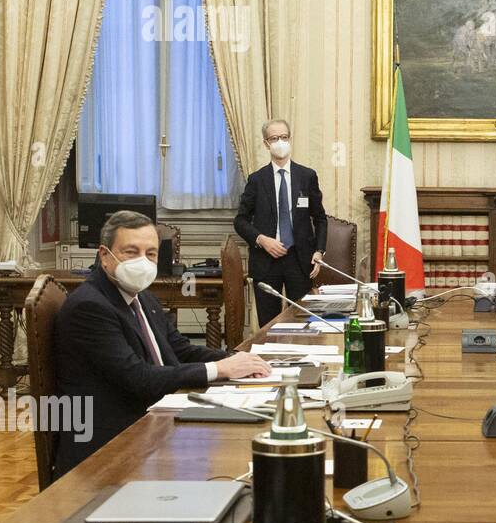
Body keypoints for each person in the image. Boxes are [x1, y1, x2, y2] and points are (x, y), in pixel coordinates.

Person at [54, 211, 271, 475]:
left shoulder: (142, 297)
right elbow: (139, 378)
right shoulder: (90, 306)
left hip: (150, 424)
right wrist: (221, 370)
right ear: (104, 256)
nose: (142, 262)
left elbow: (181, 349)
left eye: (151, 254)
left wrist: (237, 360)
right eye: (131, 252)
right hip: (108, 451)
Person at [234, 119, 328, 325]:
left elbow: (320, 218)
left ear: (290, 139)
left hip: (300, 260)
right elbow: (240, 221)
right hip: (266, 261)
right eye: (274, 138)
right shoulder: (257, 180)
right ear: (266, 144)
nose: (280, 142)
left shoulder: (307, 176)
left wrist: (319, 251)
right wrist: (261, 239)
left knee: (302, 322)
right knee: (269, 325)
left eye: (284, 137)